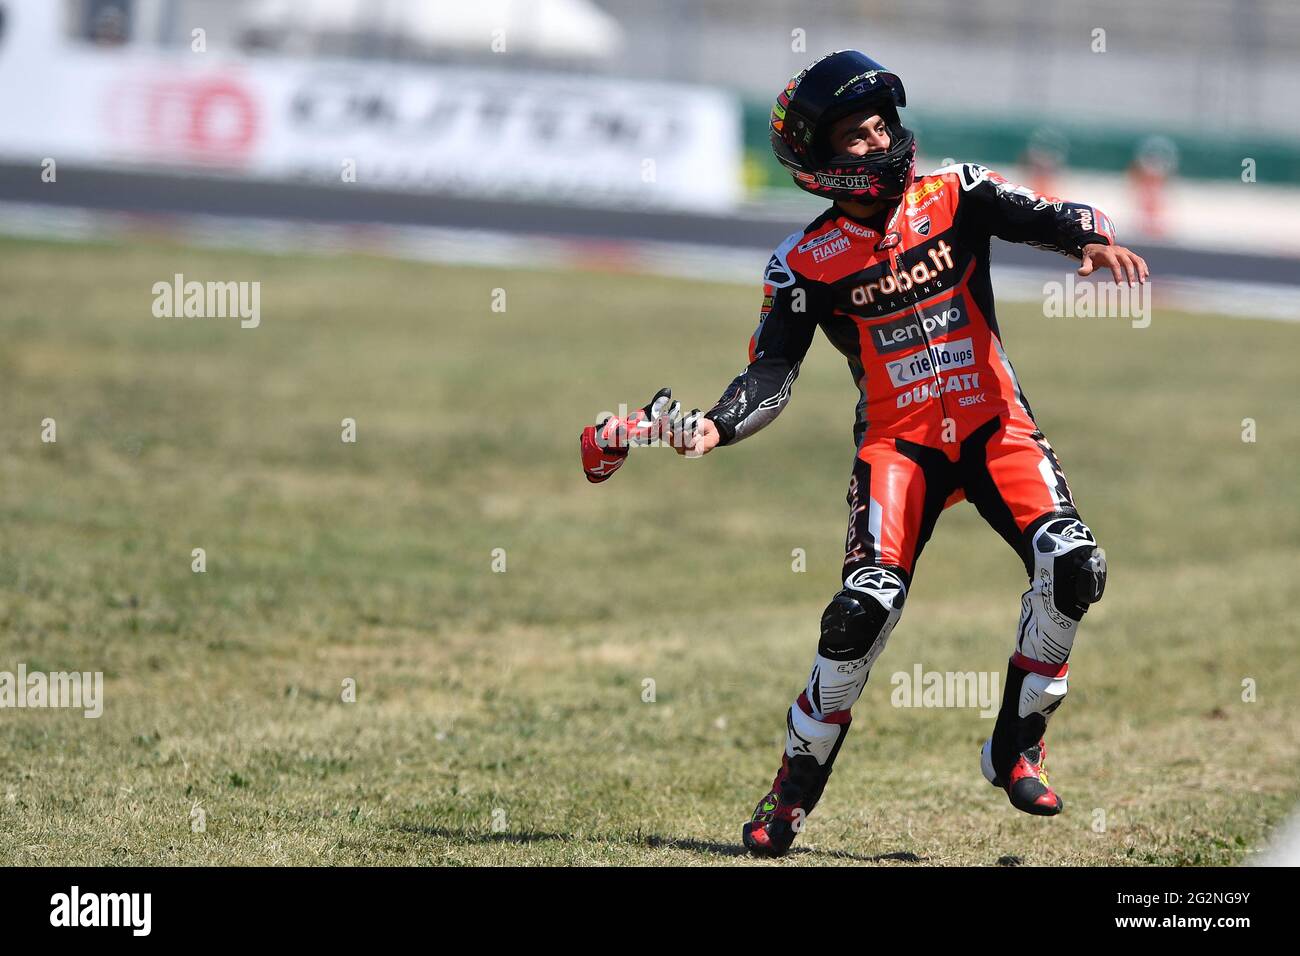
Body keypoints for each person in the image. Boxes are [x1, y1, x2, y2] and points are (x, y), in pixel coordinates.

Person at [580, 50, 1148, 858]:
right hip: (898, 448)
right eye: (858, 134)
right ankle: (789, 797)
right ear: (818, 162)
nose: (882, 141)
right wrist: (712, 425)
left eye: (884, 124)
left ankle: (1016, 745)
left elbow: (1048, 216)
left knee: (1075, 564)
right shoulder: (802, 263)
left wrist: (1090, 239)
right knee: (858, 615)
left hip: (997, 430)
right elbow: (772, 373)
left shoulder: (957, 193)